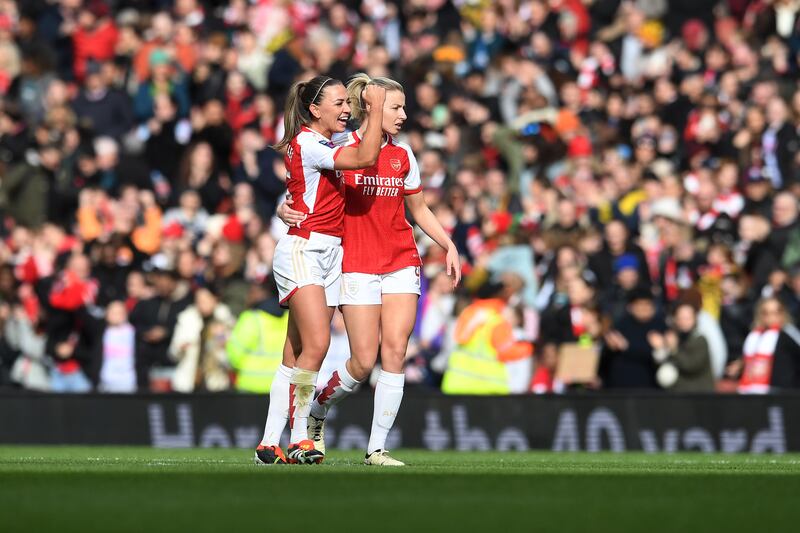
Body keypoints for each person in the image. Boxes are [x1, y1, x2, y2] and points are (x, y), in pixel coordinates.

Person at [281, 74, 461, 466]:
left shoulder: (403, 155)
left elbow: (419, 209)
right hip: (357, 263)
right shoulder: (338, 147)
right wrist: (284, 209)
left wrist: (448, 243)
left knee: (395, 350)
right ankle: (318, 408)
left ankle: (376, 449)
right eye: (396, 107)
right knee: (362, 363)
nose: (403, 114)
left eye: (403, 107)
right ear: (373, 107)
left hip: (400, 259)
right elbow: (303, 189)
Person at [254, 75, 387, 465]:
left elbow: (360, 140)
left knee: (294, 353)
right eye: (340, 103)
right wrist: (376, 107)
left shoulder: (329, 141)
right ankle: (299, 438)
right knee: (317, 345)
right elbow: (365, 157)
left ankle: (267, 443)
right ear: (315, 109)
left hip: (330, 252)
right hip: (305, 249)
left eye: (348, 103)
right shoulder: (309, 143)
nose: (347, 110)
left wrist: (373, 105)